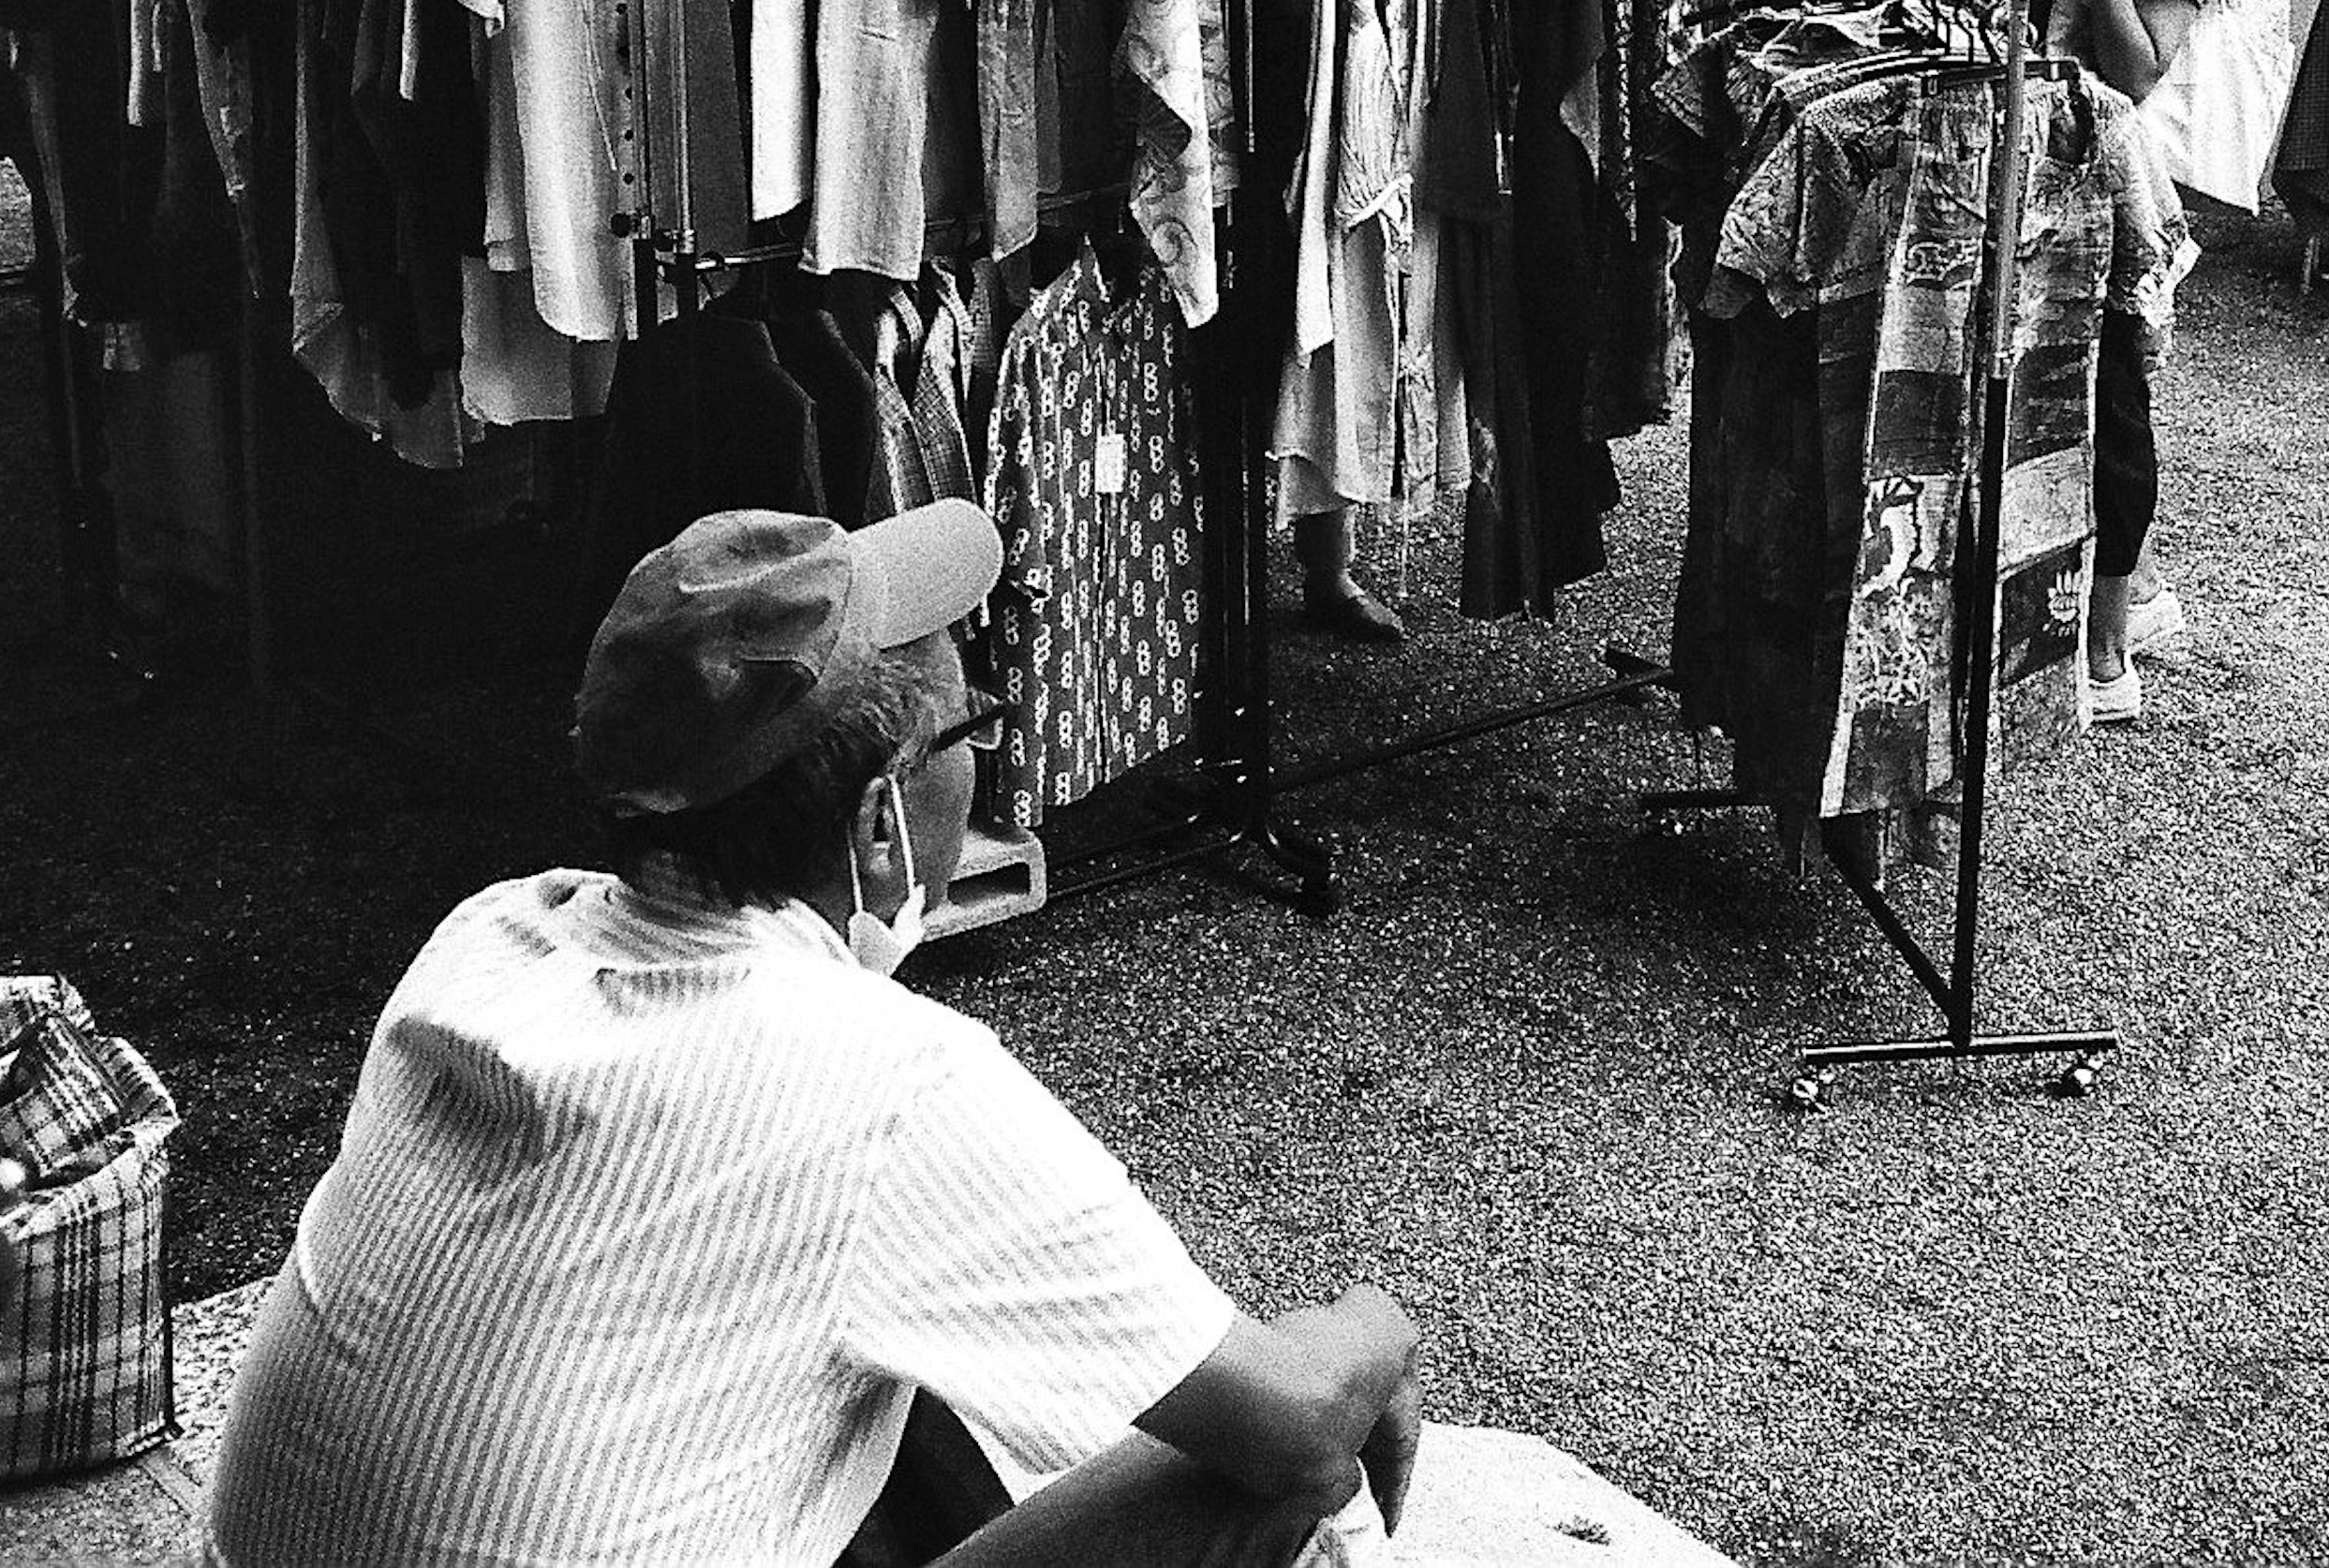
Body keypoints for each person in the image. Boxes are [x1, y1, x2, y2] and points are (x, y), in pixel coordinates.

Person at [204, 502, 1423, 1568]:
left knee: (916, 1364)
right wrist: (1380, 1325)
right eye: (972, 732)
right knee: (1297, 1477)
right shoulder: (888, 1081)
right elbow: (1296, 1418)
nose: (985, 769)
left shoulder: (486, 937)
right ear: (883, 823)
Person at [1914, 0, 2224, 724]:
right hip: (2011, 144)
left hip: (2093, 174)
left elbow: (2142, 68)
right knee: (2005, 388)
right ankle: (2019, 605)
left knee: (2105, 411)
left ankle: (2110, 646)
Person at [1209, 0, 1405, 644]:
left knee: (1315, 355)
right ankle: (1208, 576)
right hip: (1221, 179)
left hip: (1295, 181)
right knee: (1216, 380)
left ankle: (1329, 572)